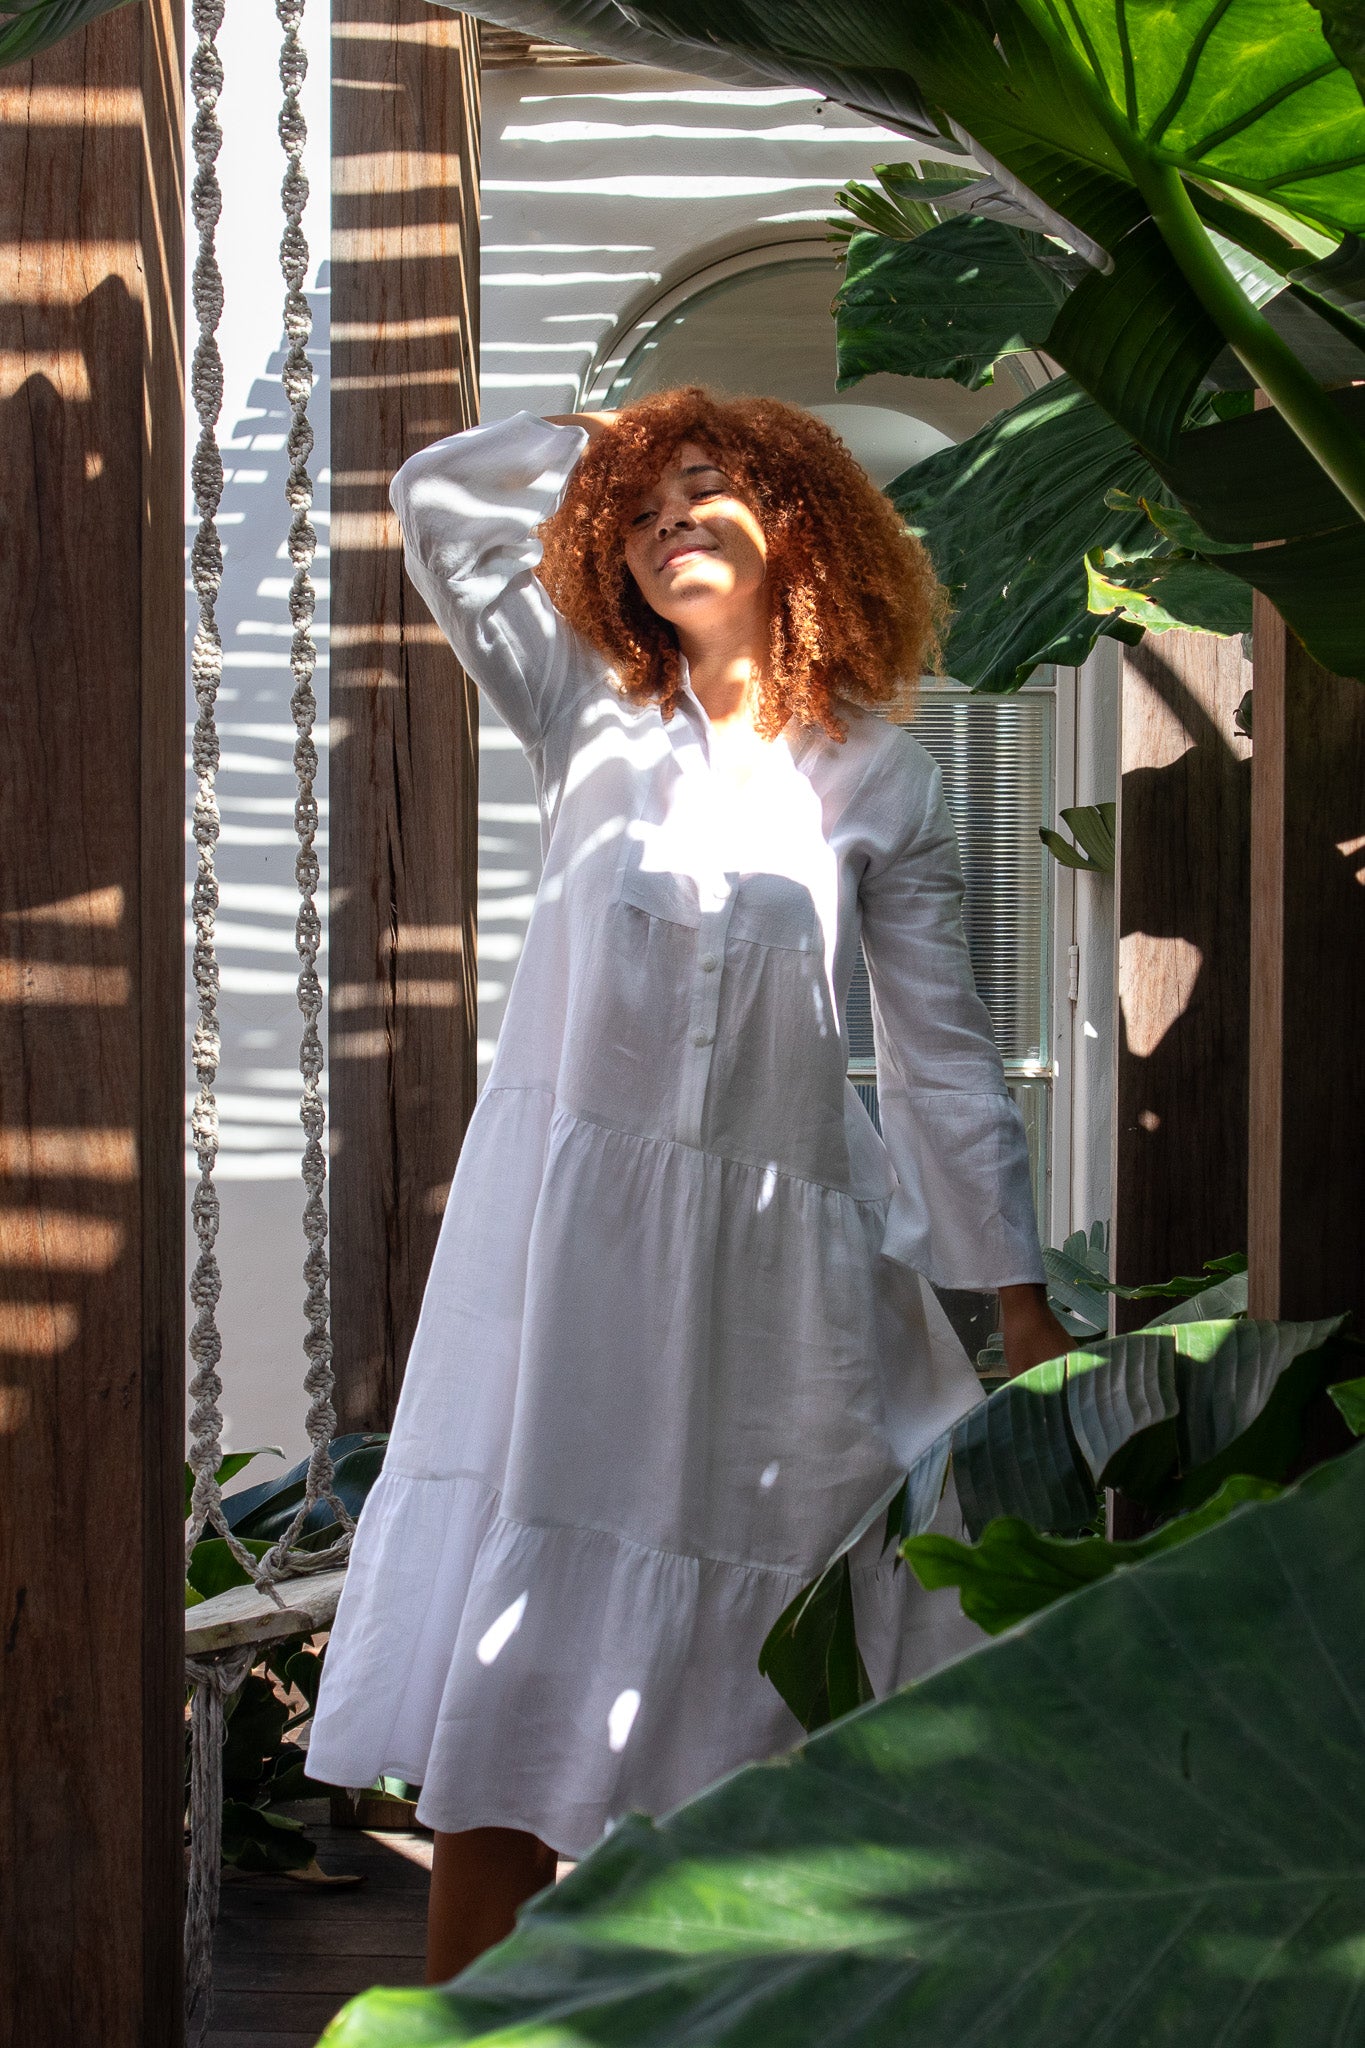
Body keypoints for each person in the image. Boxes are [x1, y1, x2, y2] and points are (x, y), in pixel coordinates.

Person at [306, 386, 1068, 1979]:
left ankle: (765, 2000)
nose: (667, 526)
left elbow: (936, 1062)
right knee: (524, 1612)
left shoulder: (882, 781)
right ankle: (463, 2017)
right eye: (640, 514)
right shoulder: (587, 708)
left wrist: (1015, 1303)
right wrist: (594, 436)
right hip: (573, 1246)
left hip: (779, 1259)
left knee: (809, 1610)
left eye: (707, 493)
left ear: (798, 522)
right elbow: (441, 506)